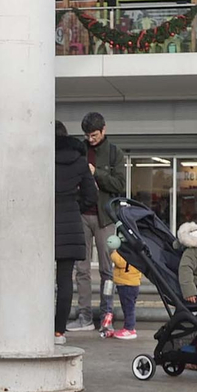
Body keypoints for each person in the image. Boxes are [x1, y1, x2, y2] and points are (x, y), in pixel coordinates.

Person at [68, 111, 126, 332]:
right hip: (81, 214)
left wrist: (96, 173)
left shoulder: (114, 153)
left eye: (94, 135)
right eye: (87, 135)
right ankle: (84, 316)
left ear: (104, 130)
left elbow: (119, 184)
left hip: (105, 218)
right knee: (81, 268)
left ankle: (106, 314)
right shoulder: (78, 150)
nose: (90, 139)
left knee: (107, 269)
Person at [54, 121, 96, 343]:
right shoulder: (80, 162)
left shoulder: (40, 158)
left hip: (42, 224)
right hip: (70, 223)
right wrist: (73, 206)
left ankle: (35, 327)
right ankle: (58, 331)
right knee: (65, 281)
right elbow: (91, 196)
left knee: (36, 280)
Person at [107, 248, 142, 341]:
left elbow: (119, 262)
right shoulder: (136, 253)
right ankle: (129, 327)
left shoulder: (129, 253)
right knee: (129, 307)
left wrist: (114, 252)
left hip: (127, 283)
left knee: (128, 308)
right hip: (132, 283)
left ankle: (129, 328)